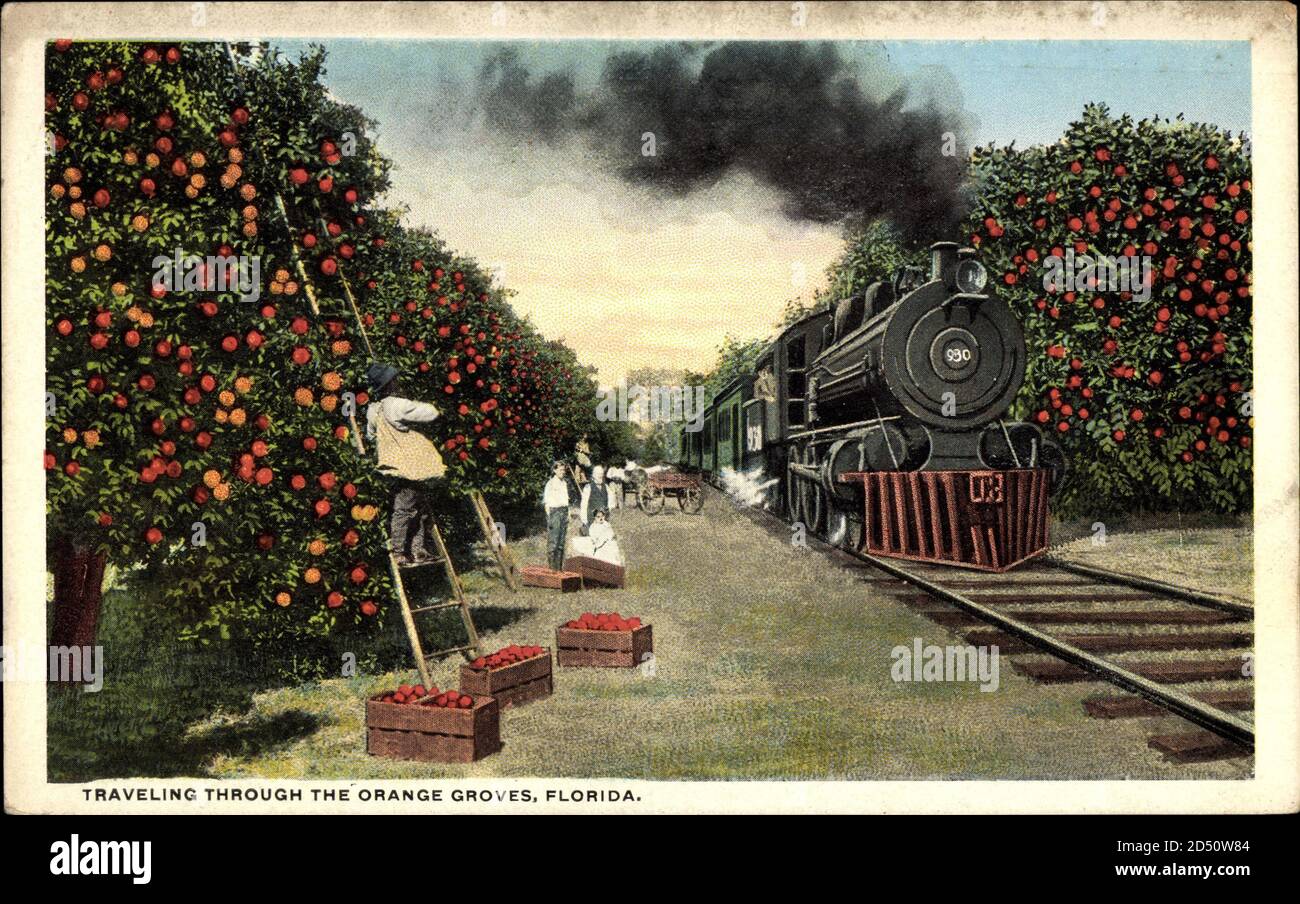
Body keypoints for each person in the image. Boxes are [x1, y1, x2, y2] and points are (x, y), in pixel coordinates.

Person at [365, 362, 446, 567]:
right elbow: (430, 412)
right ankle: (399, 552)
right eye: (395, 380)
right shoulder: (397, 404)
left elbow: (370, 435)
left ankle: (418, 550)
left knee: (416, 507)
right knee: (405, 509)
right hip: (410, 467)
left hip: (393, 467)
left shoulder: (373, 409)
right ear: (390, 385)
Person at [542, 459, 572, 571]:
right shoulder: (550, 484)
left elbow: (566, 500)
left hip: (564, 511)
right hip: (554, 512)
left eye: (564, 470)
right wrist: (550, 517)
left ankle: (559, 569)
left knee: (561, 542)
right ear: (554, 470)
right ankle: (552, 569)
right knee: (553, 541)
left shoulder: (564, 483)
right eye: (560, 470)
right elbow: (546, 502)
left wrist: (568, 513)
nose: (562, 472)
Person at [579, 465, 613, 531]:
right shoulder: (588, 487)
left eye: (602, 474)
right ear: (593, 475)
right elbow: (584, 504)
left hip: (603, 518)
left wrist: (609, 509)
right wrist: (584, 520)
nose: (600, 476)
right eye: (598, 474)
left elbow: (611, 499)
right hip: (592, 519)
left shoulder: (606, 486)